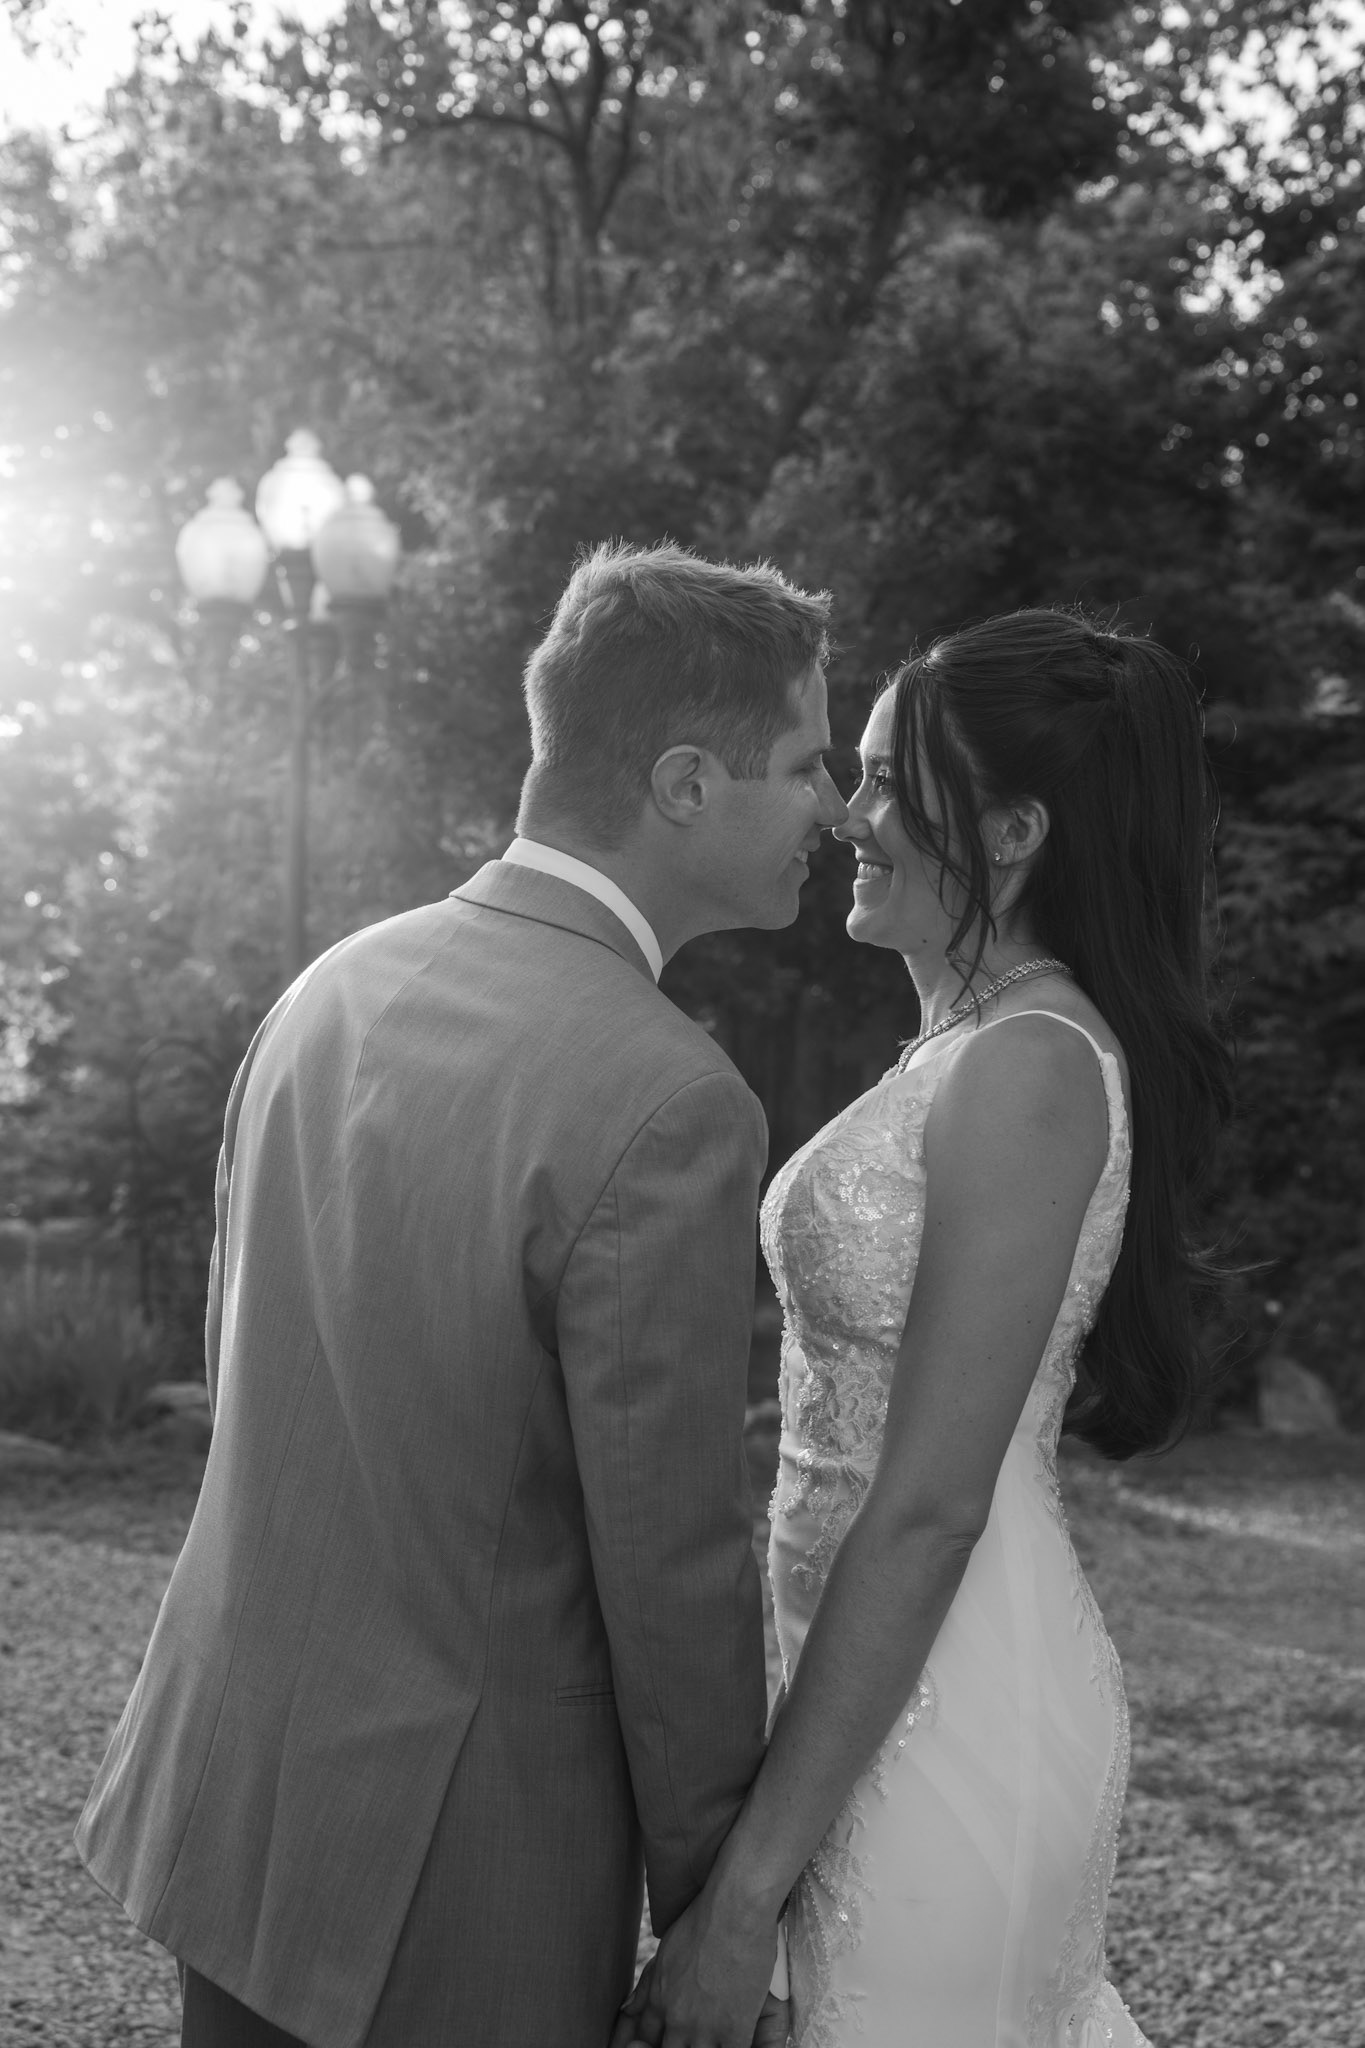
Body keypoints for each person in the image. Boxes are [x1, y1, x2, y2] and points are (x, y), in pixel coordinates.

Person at [75, 541, 847, 2048]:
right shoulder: (669, 1097)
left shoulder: (329, 987)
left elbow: (256, 1381)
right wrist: (719, 1906)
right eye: (807, 763)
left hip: (233, 1789)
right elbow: (669, 1564)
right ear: (686, 785)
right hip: (459, 1860)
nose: (832, 807)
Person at [617, 608, 1233, 2048]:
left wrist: (742, 1898)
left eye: (891, 781)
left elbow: (932, 1508)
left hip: (952, 1713)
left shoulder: (1030, 1065)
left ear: (1013, 833)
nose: (847, 812)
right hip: (861, 1691)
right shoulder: (964, 1046)